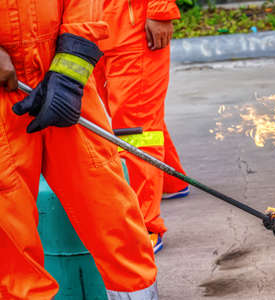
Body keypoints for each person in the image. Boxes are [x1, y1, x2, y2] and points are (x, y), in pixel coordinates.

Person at [0, 1, 159, 299]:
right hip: (3, 85)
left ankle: (137, 293)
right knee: (8, 222)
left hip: (62, 72)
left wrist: (70, 71)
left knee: (106, 200)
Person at [96, 0, 190, 254]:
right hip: (91, 27)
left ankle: (144, 225)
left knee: (136, 130)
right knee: (135, 117)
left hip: (131, 28)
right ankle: (171, 180)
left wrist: (160, 11)